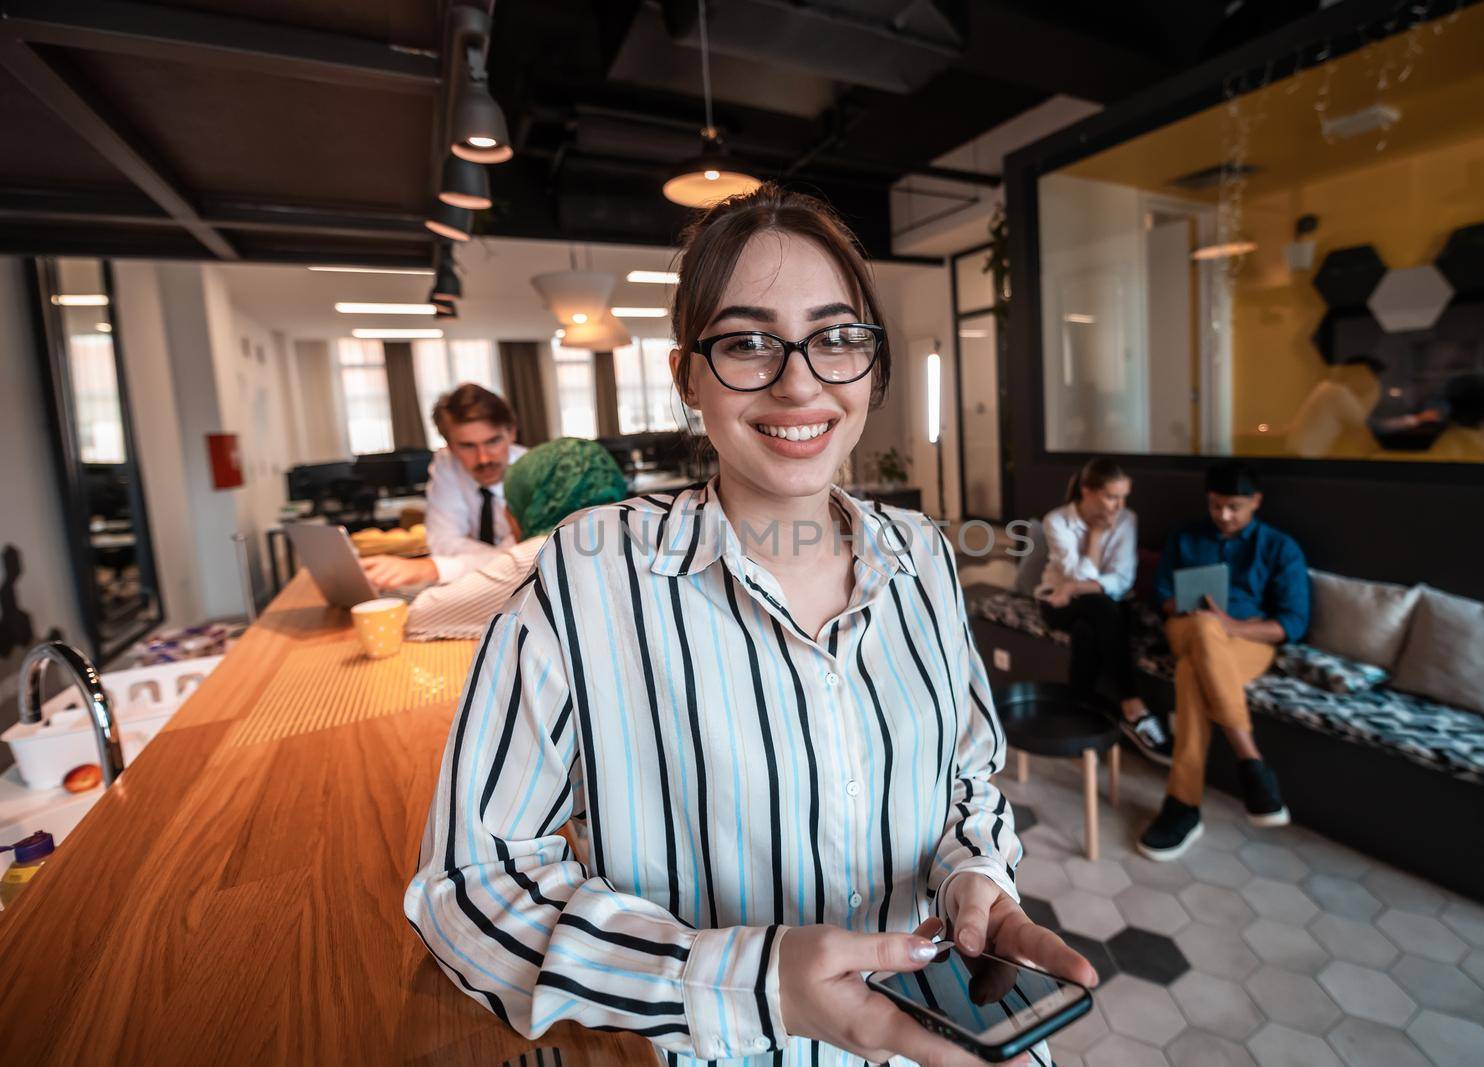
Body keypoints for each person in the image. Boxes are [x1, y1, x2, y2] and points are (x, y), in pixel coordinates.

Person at [405, 183, 1095, 1065]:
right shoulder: (590, 577)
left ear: (873, 365)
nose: (799, 379)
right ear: (688, 374)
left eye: (838, 336)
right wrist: (742, 979)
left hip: (942, 1036)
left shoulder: (923, 554)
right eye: (746, 341)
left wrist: (976, 874)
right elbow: (469, 887)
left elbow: (967, 776)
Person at [1139, 461, 1309, 862]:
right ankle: (1249, 759)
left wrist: (1230, 624)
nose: (1224, 515)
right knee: (1200, 626)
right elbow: (1160, 594)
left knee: (1190, 672)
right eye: (1216, 506)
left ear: (1256, 501)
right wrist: (1187, 603)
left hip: (1248, 640)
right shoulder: (1185, 535)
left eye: (1234, 507)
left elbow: (1292, 624)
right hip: (1185, 628)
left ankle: (1182, 804)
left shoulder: (1280, 547)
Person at [404, 438, 629, 640]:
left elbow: (420, 616)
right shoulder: (635, 533)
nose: (505, 514)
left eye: (512, 502)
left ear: (536, 504)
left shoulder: (541, 554)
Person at [1035, 458, 1171, 764]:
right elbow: (1073, 578)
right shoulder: (1057, 521)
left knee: (1088, 629)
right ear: (1087, 490)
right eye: (1111, 496)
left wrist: (1075, 588)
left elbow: (1123, 579)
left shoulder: (1127, 519)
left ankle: (1078, 716)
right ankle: (1133, 706)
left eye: (1123, 497)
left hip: (1103, 605)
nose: (1118, 505)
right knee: (1099, 605)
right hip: (1056, 603)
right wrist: (1094, 538)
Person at [361, 383, 526, 590]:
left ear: (511, 432)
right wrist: (498, 557)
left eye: (493, 441)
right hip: (471, 586)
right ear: (449, 445)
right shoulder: (447, 464)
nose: (483, 458)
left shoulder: (536, 475)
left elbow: (524, 560)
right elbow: (443, 543)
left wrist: (432, 568)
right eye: (467, 446)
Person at [1283, 357, 1383, 458]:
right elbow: (1363, 426)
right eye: (1373, 378)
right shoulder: (1338, 392)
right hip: (1305, 456)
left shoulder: (1326, 387)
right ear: (1361, 374)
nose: (1372, 383)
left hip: (1299, 452)